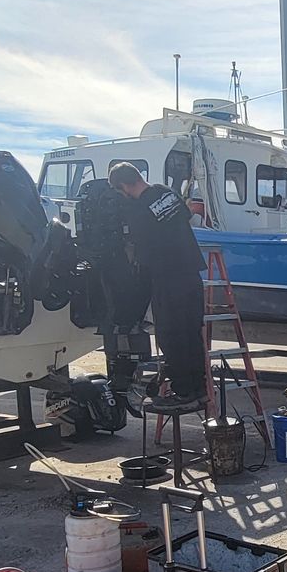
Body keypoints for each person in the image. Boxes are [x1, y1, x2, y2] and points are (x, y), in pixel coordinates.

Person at [107, 161, 207, 412]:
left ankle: (184, 392)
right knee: (191, 332)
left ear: (124, 187)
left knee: (171, 335)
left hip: (167, 277)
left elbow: (139, 246)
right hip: (191, 274)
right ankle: (200, 389)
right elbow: (185, 215)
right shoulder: (166, 193)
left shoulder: (138, 211)